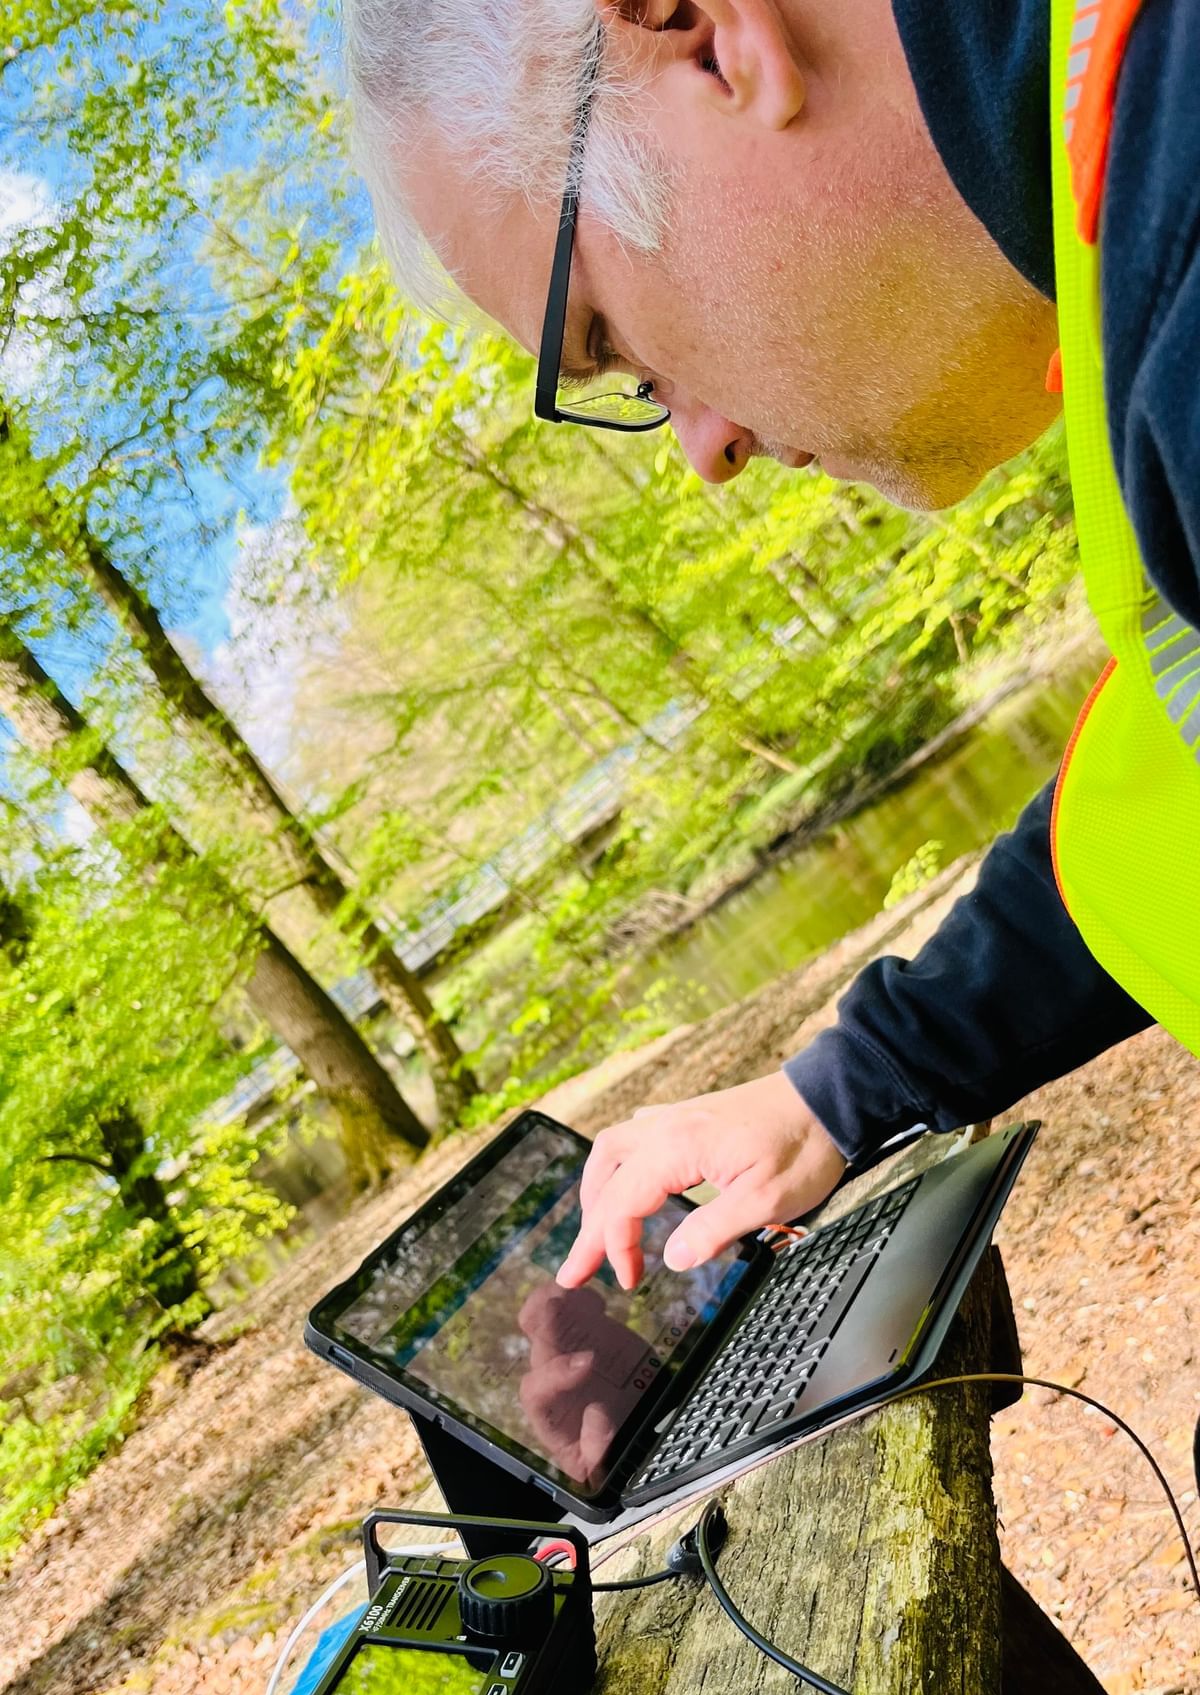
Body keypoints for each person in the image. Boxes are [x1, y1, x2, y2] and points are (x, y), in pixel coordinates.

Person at [343, 0, 1200, 1291]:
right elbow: (1166, 778)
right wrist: (841, 1090)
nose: (707, 451)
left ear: (712, 39)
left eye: (614, 348)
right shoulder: (1128, 194)